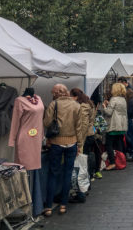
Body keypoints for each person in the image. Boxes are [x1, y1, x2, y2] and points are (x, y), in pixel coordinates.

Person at [43, 84, 83, 216]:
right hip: (71, 143)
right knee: (67, 173)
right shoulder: (76, 105)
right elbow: (79, 127)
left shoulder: (53, 105)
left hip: (56, 143)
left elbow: (46, 123)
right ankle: (63, 205)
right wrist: (80, 145)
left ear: (55, 94)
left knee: (53, 173)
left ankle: (48, 206)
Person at [71, 88, 98, 184]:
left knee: (83, 159)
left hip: (86, 135)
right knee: (87, 156)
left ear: (76, 97)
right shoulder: (89, 103)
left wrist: (80, 141)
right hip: (90, 134)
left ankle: (86, 179)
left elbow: (83, 124)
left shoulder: (83, 106)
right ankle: (90, 176)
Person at [103, 83, 128, 170]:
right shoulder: (123, 99)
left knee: (109, 144)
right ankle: (121, 161)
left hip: (114, 125)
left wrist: (104, 106)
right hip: (122, 125)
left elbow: (109, 112)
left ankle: (113, 163)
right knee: (119, 143)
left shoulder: (113, 99)